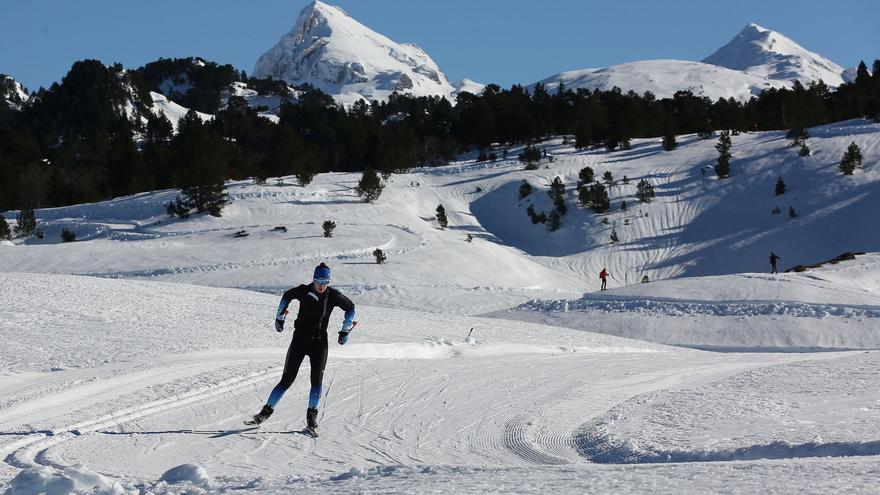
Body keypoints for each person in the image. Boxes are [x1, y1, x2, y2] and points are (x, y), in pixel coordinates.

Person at [248, 263, 356, 432]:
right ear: (313, 279)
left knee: (316, 382)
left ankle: (311, 419)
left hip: (320, 342)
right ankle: (264, 413)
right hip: (300, 339)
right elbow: (286, 296)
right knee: (287, 380)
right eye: (319, 281)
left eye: (325, 281)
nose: (322, 285)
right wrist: (279, 318)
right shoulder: (304, 290)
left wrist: (345, 331)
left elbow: (350, 307)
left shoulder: (333, 295)